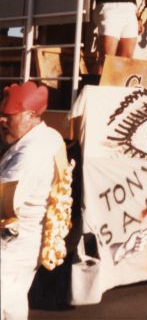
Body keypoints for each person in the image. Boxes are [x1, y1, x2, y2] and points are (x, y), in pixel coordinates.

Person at [0, 82, 66, 320]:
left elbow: (3, 203)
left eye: (9, 116)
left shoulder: (30, 154)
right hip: (28, 245)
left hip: (10, 249)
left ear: (30, 115)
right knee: (13, 303)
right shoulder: (51, 136)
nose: (2, 121)